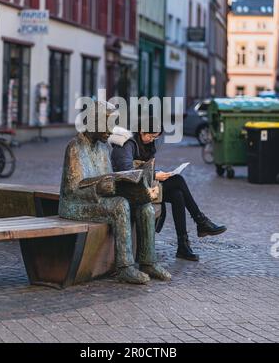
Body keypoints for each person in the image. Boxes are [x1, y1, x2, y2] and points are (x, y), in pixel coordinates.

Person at [59, 102, 171, 284]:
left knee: (146, 208)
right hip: (76, 204)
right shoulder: (75, 147)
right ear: (95, 122)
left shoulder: (103, 148)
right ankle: (125, 267)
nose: (111, 132)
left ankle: (147, 261)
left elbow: (111, 177)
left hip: (100, 198)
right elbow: (72, 190)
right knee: (120, 205)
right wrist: (100, 188)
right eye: (108, 125)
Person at [110, 119, 227, 261]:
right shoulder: (127, 143)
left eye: (156, 137)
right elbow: (126, 171)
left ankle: (183, 246)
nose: (152, 140)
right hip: (128, 189)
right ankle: (200, 221)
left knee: (178, 195)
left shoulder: (147, 144)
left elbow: (147, 168)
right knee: (178, 181)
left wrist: (159, 173)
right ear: (141, 131)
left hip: (145, 186)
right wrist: (154, 175)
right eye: (151, 136)